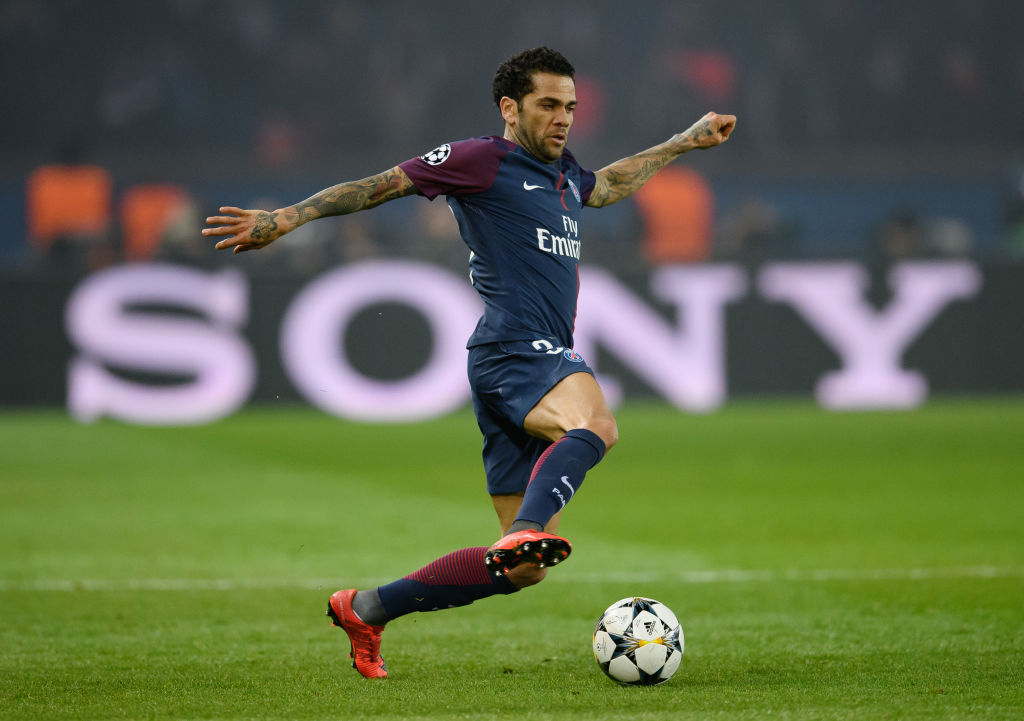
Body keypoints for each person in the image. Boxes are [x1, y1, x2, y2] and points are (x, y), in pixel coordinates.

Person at [203, 46, 735, 679]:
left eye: (569, 106)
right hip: (515, 347)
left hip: (516, 364)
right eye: (547, 105)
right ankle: (531, 524)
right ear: (510, 108)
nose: (563, 118)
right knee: (596, 426)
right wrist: (289, 217)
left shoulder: (565, 174)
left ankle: (367, 608)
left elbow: (612, 183)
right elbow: (381, 186)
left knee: (523, 569)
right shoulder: (480, 160)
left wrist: (685, 141)